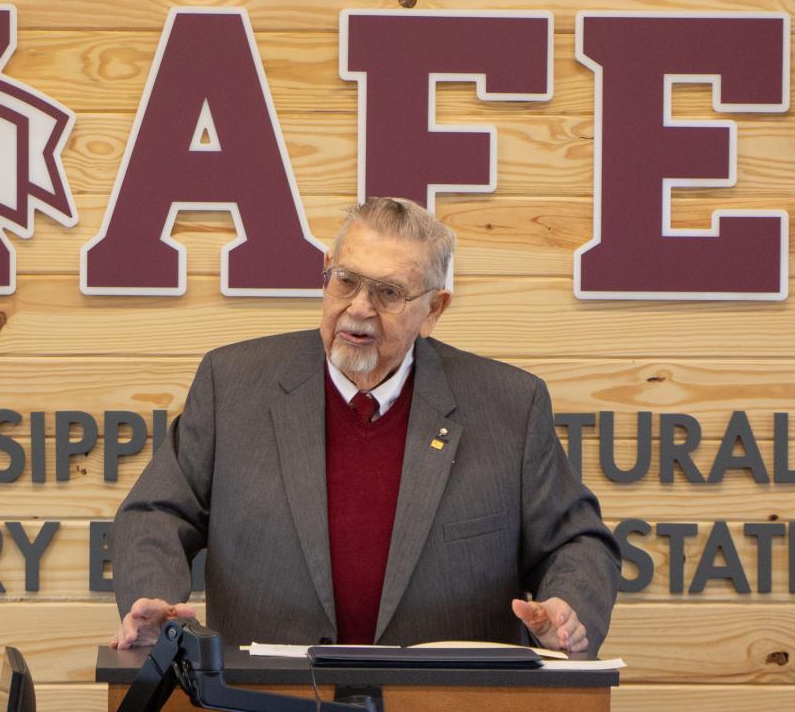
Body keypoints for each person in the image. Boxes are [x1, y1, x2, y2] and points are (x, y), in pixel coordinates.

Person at [109, 197, 619, 654]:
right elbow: (155, 513)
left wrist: (567, 612)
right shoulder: (233, 384)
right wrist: (153, 602)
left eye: (389, 293)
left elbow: (576, 542)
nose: (358, 308)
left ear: (433, 309)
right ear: (326, 273)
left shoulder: (509, 405)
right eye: (346, 281)